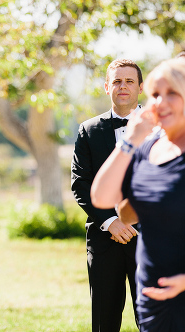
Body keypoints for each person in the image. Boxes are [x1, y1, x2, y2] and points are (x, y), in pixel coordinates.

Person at [92, 58, 185, 331]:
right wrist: (131, 141)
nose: (160, 102)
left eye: (172, 94)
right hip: (152, 294)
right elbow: (103, 199)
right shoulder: (148, 147)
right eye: (155, 94)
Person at [71, 58, 144, 332]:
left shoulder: (160, 128)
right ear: (106, 87)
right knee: (104, 322)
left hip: (150, 239)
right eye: (116, 81)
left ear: (140, 87)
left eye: (129, 81)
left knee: (156, 321)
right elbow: (80, 184)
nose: (122, 86)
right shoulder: (88, 130)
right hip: (103, 240)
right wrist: (111, 221)